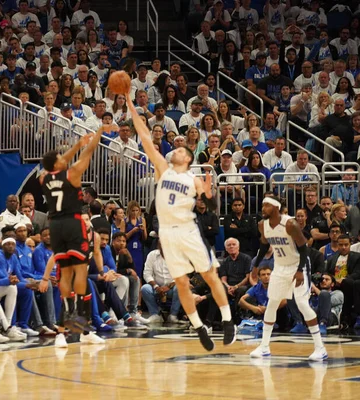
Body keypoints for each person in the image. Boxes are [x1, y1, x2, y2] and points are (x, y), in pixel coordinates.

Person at [125, 92, 235, 351]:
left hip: (188, 231)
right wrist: (131, 106)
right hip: (168, 235)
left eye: (179, 150)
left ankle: (228, 321)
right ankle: (198, 327)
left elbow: (209, 203)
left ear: (187, 158)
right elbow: (144, 136)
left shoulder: (194, 178)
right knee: (182, 283)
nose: (174, 150)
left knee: (209, 275)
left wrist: (208, 193)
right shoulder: (162, 168)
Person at [39, 125, 105, 347]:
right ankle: (79, 327)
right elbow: (89, 152)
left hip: (55, 226)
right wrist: (98, 133)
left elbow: (56, 163)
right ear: (58, 163)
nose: (64, 157)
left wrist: (76, 144)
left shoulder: (44, 178)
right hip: (73, 223)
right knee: (81, 277)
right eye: (61, 156)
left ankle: (67, 332)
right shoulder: (73, 173)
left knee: (65, 276)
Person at [250, 196, 327, 361]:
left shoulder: (290, 224)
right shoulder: (262, 225)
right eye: (262, 205)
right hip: (279, 267)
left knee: (302, 304)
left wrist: (300, 271)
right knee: (271, 304)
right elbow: (264, 245)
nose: (262, 208)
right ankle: (264, 346)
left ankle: (320, 348)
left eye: (266, 205)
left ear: (276, 208)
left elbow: (304, 248)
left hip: (298, 265)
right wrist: (256, 265)